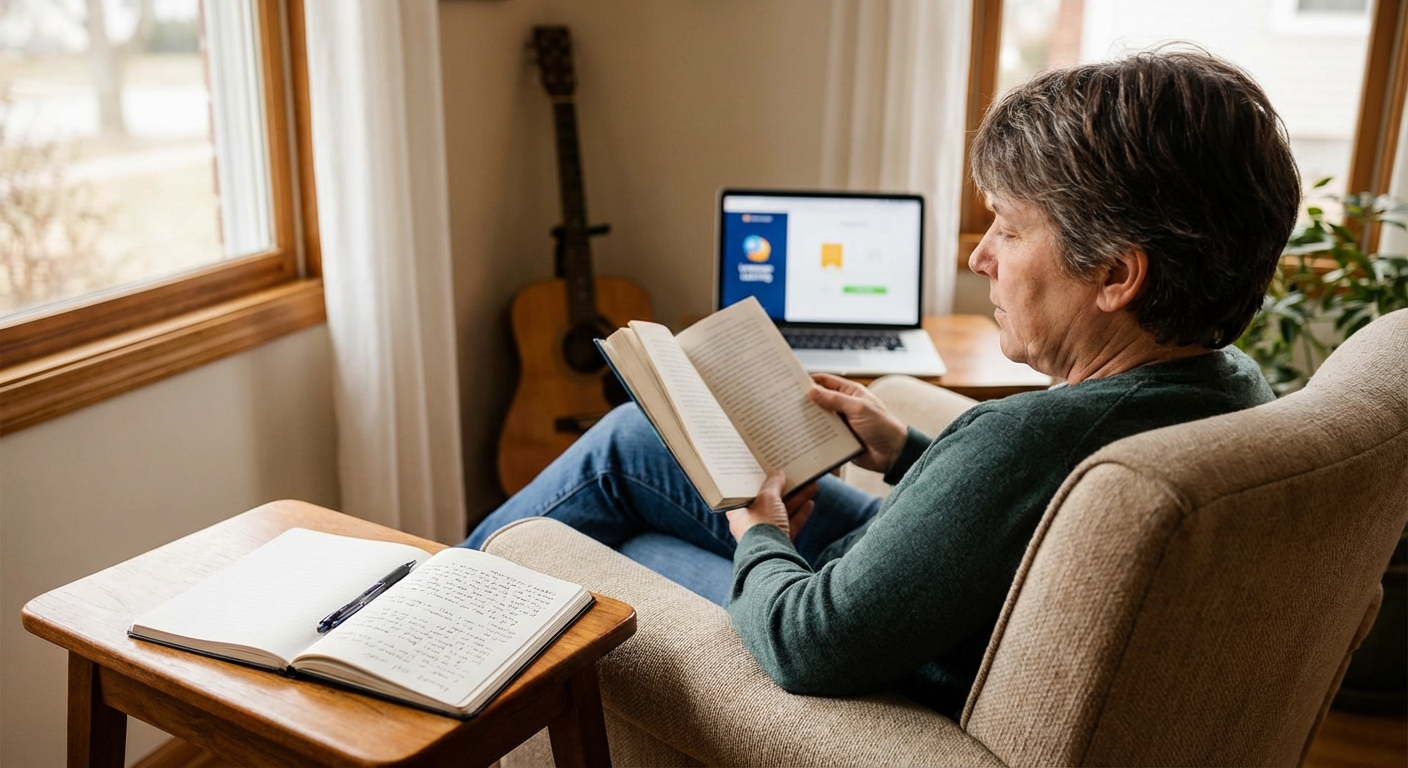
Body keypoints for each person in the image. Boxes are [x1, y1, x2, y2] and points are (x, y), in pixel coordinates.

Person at [462, 49, 1300, 717]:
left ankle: (438, 610)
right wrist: (903, 450)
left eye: (1007, 229)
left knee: (620, 526)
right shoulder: (1230, 383)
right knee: (641, 440)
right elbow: (1025, 513)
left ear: (1116, 274)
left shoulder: (1024, 438)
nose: (980, 259)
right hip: (940, 592)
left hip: (889, 641)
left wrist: (760, 531)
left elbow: (808, 643)